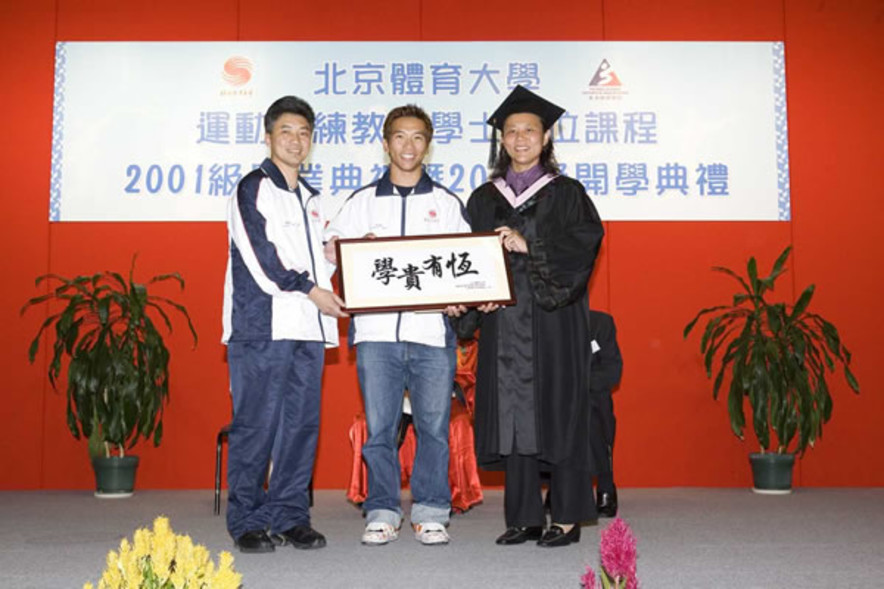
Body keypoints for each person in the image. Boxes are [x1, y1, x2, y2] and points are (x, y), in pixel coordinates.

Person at [451, 86, 604, 548]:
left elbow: (585, 245)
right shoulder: (483, 198)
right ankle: (523, 516)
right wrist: (473, 301)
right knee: (513, 417)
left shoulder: (567, 193)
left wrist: (528, 244)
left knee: (559, 411)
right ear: (501, 139)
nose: (520, 138)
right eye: (511, 131)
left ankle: (567, 517)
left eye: (529, 130)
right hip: (504, 322)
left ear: (546, 136)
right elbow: (467, 257)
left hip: (553, 320)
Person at [324, 104, 471, 546]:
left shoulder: (445, 203)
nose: (409, 146)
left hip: (431, 335)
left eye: (418, 138)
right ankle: (383, 510)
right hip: (376, 336)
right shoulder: (362, 201)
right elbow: (331, 251)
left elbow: (466, 265)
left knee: (433, 427)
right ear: (385, 143)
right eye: (400, 138)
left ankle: (430, 511)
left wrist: (458, 301)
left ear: (428, 145)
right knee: (380, 429)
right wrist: (353, 248)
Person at [222, 95, 347, 553]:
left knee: (301, 425)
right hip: (263, 326)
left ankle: (291, 514)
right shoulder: (252, 187)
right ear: (269, 135)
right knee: (256, 425)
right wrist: (311, 288)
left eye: (304, 133)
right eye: (287, 131)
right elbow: (262, 257)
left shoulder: (314, 200)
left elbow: (321, 262)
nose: (296, 140)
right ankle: (248, 518)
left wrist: (337, 260)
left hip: (310, 329)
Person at [587, 310, 624, 517]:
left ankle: (605, 485)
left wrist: (579, 383)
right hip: (558, 395)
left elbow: (613, 369)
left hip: (591, 393)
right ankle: (557, 487)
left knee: (593, 410)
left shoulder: (600, 323)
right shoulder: (548, 323)